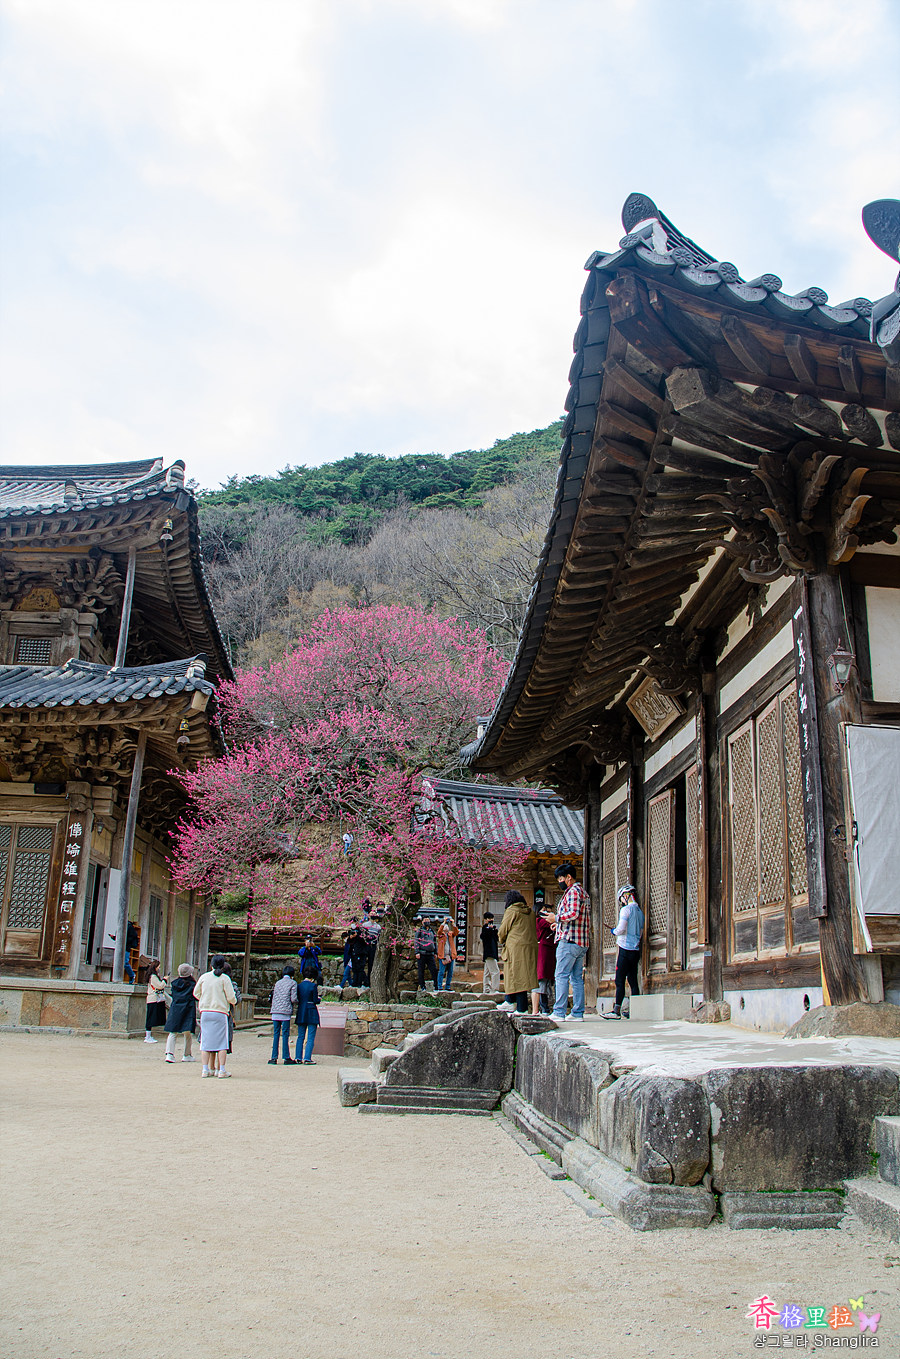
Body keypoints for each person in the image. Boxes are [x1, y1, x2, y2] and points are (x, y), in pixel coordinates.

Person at [551, 862, 590, 1023]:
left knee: (561, 975)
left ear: (569, 877)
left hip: (569, 940)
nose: (560, 882)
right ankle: (577, 1012)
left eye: (561, 879)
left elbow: (573, 913)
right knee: (576, 978)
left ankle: (559, 1011)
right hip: (581, 941)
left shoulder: (573, 891)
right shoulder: (582, 892)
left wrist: (556, 918)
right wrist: (558, 924)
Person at [603, 883, 645, 1020]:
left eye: (621, 898)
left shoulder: (626, 910)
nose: (621, 901)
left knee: (619, 980)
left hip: (625, 949)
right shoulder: (640, 913)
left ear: (626, 896)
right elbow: (640, 932)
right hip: (635, 949)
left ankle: (616, 1011)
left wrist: (613, 931)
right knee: (633, 980)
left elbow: (621, 929)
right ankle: (635, 1010)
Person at [193, 954, 237, 1078]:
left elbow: (196, 993)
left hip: (206, 1012)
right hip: (220, 1012)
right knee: (222, 1043)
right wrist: (231, 1002)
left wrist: (204, 999)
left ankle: (205, 1069)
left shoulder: (204, 977)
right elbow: (231, 997)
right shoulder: (225, 979)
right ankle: (221, 1070)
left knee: (205, 1042)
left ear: (211, 964)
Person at [497, 891, 538, 1014]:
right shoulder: (531, 912)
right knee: (522, 976)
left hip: (515, 948)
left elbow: (503, 930)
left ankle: (521, 1008)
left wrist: (501, 939)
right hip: (529, 948)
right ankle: (509, 1000)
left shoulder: (512, 911)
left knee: (516, 976)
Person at [164, 963, 197, 1062]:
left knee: (172, 1032)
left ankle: (169, 1054)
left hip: (176, 1008)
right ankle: (187, 1055)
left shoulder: (174, 983)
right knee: (187, 1032)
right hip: (188, 1008)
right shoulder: (192, 984)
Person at [269, 964, 298, 1064]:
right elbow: (293, 999)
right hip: (285, 1012)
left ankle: (273, 1057)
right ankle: (286, 1057)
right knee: (285, 1034)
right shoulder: (293, 983)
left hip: (275, 1011)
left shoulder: (278, 983)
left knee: (276, 1034)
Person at [295, 965, 320, 1064]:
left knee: (300, 1036)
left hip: (301, 1011)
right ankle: (307, 1058)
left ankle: (298, 1057)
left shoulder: (299, 986)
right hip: (311, 1011)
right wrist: (319, 999)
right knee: (310, 1036)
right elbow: (315, 1000)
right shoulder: (313, 986)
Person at [535, 907, 557, 1014]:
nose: (546, 913)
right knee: (543, 979)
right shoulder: (539, 921)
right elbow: (550, 925)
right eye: (544, 910)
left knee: (549, 980)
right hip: (544, 951)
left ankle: (548, 1007)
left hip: (551, 950)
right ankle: (544, 1007)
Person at [144, 961, 168, 1043]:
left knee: (150, 1017)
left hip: (153, 998)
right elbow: (160, 986)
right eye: (158, 967)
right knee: (150, 1018)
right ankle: (147, 1036)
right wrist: (165, 980)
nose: (159, 968)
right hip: (153, 998)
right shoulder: (153, 977)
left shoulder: (151, 976)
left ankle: (148, 1035)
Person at [412, 915, 438, 991]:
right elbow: (416, 941)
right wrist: (417, 952)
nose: (427, 921)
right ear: (422, 921)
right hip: (422, 953)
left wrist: (435, 952)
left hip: (430, 954)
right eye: (425, 920)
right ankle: (422, 986)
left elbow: (434, 942)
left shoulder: (432, 931)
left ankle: (436, 986)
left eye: (428, 920)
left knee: (434, 970)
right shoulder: (419, 931)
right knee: (421, 971)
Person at [436, 915, 459, 991]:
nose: (446, 928)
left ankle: (448, 986)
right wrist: (444, 922)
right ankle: (439, 986)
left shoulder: (450, 934)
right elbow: (439, 931)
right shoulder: (440, 935)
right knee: (441, 971)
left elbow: (456, 932)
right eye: (445, 927)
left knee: (450, 972)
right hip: (443, 955)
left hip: (451, 955)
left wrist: (453, 924)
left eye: (447, 927)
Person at [480, 912, 500, 994]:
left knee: (487, 972)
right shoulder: (484, 929)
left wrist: (493, 930)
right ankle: (494, 989)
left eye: (492, 918)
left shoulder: (494, 929)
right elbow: (483, 937)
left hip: (493, 952)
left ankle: (486, 989)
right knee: (495, 972)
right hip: (489, 953)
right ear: (485, 920)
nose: (491, 920)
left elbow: (497, 939)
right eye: (489, 918)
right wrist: (490, 929)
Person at [340, 919, 359, 986]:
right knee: (348, 975)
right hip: (347, 960)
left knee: (346, 974)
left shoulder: (350, 943)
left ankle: (341, 985)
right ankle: (351, 984)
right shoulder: (347, 944)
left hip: (349, 960)